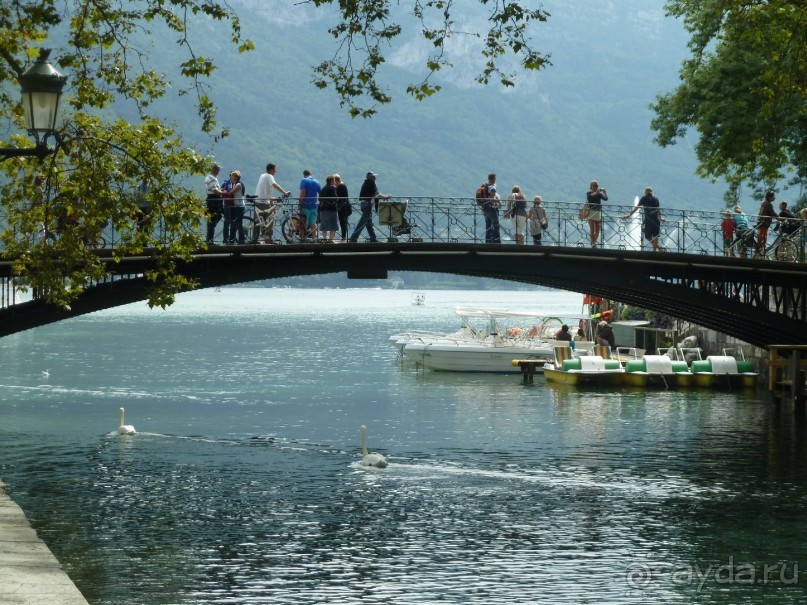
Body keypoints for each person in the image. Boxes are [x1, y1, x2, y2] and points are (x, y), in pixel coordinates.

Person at [349, 171, 390, 243]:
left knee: (368, 222)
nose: (375, 178)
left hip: (364, 204)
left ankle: (372, 237)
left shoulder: (366, 183)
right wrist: (387, 196)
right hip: (367, 204)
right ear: (370, 177)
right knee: (363, 222)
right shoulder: (371, 184)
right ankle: (353, 237)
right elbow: (378, 195)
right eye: (373, 176)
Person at [254, 163, 290, 244]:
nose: (275, 171)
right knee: (271, 219)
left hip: (258, 201)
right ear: (271, 169)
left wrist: (271, 200)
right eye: (275, 169)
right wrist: (285, 193)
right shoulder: (270, 176)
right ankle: (268, 238)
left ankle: (255, 239)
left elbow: (266, 190)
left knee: (257, 221)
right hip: (263, 202)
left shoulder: (262, 175)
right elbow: (274, 185)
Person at [623, 186, 663, 251]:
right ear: (652, 192)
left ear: (645, 192)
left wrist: (628, 215)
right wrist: (661, 218)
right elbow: (658, 209)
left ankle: (659, 248)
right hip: (656, 220)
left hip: (649, 220)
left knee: (647, 236)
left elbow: (636, 208)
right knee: (656, 236)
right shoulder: (656, 198)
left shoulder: (644, 198)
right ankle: (655, 251)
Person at [298, 169, 321, 241]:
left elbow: (303, 192)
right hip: (314, 206)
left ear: (304, 174)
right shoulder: (316, 181)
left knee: (304, 222)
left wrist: (300, 203)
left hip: (305, 205)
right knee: (313, 223)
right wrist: (318, 201)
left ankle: (302, 237)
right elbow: (321, 192)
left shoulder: (304, 180)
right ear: (311, 174)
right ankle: (314, 238)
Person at [204, 163, 224, 245]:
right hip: (213, 201)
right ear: (213, 169)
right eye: (217, 169)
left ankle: (209, 240)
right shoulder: (211, 178)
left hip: (213, 200)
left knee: (213, 220)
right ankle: (209, 241)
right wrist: (223, 193)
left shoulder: (211, 177)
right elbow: (215, 190)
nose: (218, 171)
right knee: (213, 220)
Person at [224, 170, 246, 244]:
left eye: (233, 176)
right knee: (233, 223)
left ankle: (241, 240)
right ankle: (232, 239)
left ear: (236, 177)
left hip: (239, 206)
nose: (231, 177)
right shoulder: (235, 184)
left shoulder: (238, 185)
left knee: (239, 223)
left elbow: (230, 193)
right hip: (235, 206)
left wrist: (224, 191)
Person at [480, 173, 501, 244]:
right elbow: (492, 198)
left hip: (484, 207)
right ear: (494, 179)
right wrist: (497, 201)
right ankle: (496, 240)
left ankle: (488, 241)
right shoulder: (492, 187)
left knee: (488, 225)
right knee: (496, 224)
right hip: (490, 208)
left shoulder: (486, 185)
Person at [586, 180, 608, 247]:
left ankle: (593, 243)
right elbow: (589, 198)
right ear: (591, 187)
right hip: (591, 212)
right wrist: (596, 193)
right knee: (592, 230)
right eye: (594, 186)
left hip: (598, 213)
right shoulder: (588, 193)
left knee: (598, 231)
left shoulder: (599, 194)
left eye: (597, 186)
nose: (596, 187)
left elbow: (606, 199)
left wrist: (605, 192)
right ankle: (593, 244)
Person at [319, 175, 339, 243]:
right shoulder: (332, 187)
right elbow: (335, 198)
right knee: (333, 223)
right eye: (333, 181)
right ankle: (331, 239)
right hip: (332, 208)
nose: (334, 182)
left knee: (324, 223)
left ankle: (324, 238)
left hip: (323, 208)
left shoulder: (323, 188)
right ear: (331, 181)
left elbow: (319, 198)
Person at [334, 174, 351, 241]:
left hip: (343, 207)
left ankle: (343, 237)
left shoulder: (340, 186)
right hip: (344, 206)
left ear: (336, 181)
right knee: (343, 222)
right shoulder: (342, 185)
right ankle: (343, 237)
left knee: (342, 222)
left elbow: (337, 197)